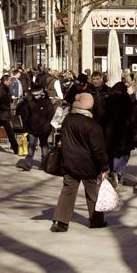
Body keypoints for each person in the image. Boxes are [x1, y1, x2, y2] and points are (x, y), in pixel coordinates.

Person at [49, 92, 109, 232]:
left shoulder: (68, 120)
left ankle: (61, 222)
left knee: (68, 192)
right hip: (89, 165)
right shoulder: (92, 125)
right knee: (92, 193)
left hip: (70, 162)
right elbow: (98, 150)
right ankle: (96, 220)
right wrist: (104, 167)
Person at [16, 84, 54, 170]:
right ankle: (28, 163)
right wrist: (26, 128)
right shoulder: (30, 102)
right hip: (32, 129)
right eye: (34, 95)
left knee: (44, 146)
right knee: (31, 146)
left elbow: (50, 116)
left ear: (42, 94)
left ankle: (44, 163)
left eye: (37, 95)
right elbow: (26, 116)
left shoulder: (47, 103)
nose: (35, 97)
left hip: (44, 129)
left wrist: (47, 127)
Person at [103, 82, 135, 185]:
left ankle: (114, 174)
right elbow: (132, 115)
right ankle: (117, 172)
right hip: (124, 131)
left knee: (112, 154)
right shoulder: (127, 99)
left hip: (110, 131)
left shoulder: (108, 99)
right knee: (124, 154)